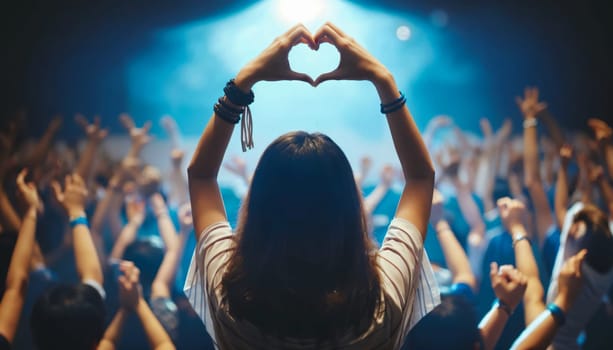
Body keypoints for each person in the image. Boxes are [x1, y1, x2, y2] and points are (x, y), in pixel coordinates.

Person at [185, 23, 438, 349]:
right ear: (348, 208)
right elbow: (420, 179)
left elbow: (201, 176)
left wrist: (243, 83)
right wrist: (383, 81)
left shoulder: (229, 299)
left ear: (260, 206)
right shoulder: (381, 304)